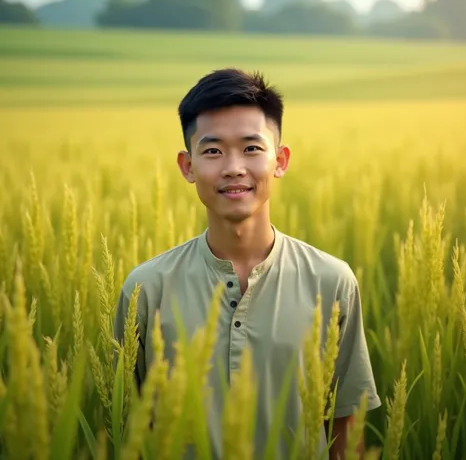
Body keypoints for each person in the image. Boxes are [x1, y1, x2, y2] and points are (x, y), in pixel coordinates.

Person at [113, 68, 381, 460]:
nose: (234, 167)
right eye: (213, 150)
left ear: (281, 160)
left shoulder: (331, 281)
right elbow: (130, 426)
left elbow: (346, 428)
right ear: (187, 166)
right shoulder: (147, 288)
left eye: (252, 148)